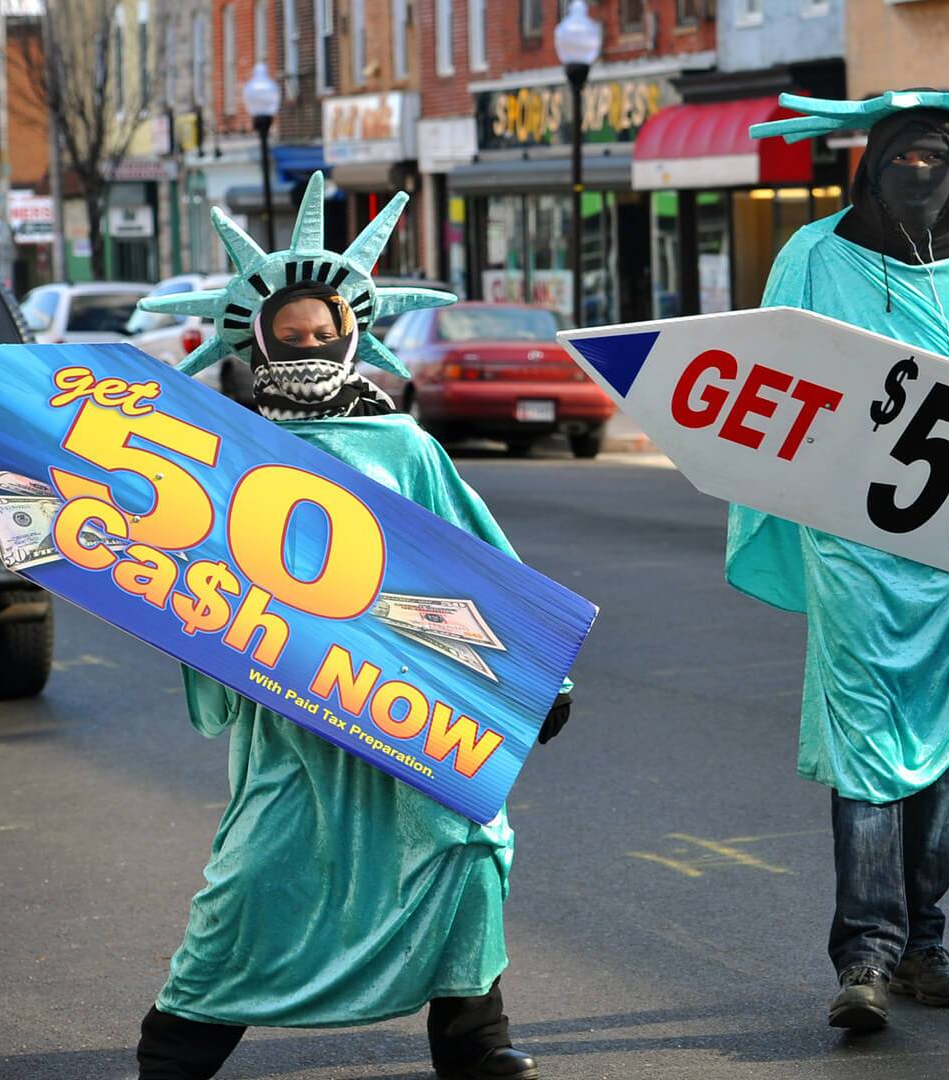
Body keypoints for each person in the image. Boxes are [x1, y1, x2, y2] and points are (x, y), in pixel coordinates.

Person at [129, 174, 569, 1080]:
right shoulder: (224, 449)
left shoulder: (406, 447)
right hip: (289, 705)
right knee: (257, 872)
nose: (311, 344)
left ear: (355, 332)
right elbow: (181, 569)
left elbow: (481, 564)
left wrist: (540, 676)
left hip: (408, 696)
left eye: (326, 329)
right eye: (290, 333)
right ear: (254, 338)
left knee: (466, 851)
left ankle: (473, 1040)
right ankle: (178, 1046)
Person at [732, 90, 949, 1032]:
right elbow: (772, 375)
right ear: (868, 172)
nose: (917, 178)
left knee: (948, 747)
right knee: (867, 743)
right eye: (899, 162)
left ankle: (926, 940)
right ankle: (867, 956)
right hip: (853, 543)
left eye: (936, 161)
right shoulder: (812, 256)